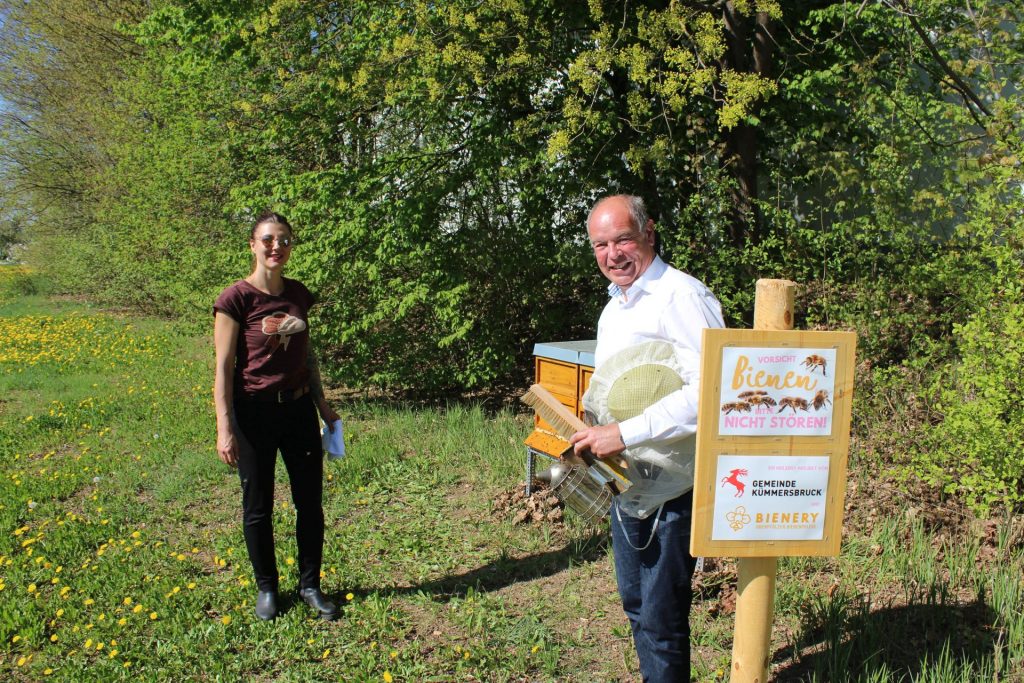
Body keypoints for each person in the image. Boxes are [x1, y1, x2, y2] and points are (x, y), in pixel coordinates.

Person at [569, 195, 725, 682]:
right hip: (628, 482)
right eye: (600, 244)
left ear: (649, 234)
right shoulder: (616, 305)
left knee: (661, 621)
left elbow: (715, 392)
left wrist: (624, 432)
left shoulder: (682, 297)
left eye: (622, 240)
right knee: (636, 605)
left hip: (673, 487)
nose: (612, 254)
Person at [213, 211, 341, 621]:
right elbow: (223, 366)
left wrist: (322, 404)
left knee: (310, 503)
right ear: (253, 245)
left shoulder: (299, 294)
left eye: (284, 240)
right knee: (258, 506)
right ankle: (267, 589)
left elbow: (307, 354)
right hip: (254, 414)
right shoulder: (235, 299)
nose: (276, 247)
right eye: (268, 239)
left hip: (299, 410)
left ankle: (310, 585)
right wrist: (224, 426)